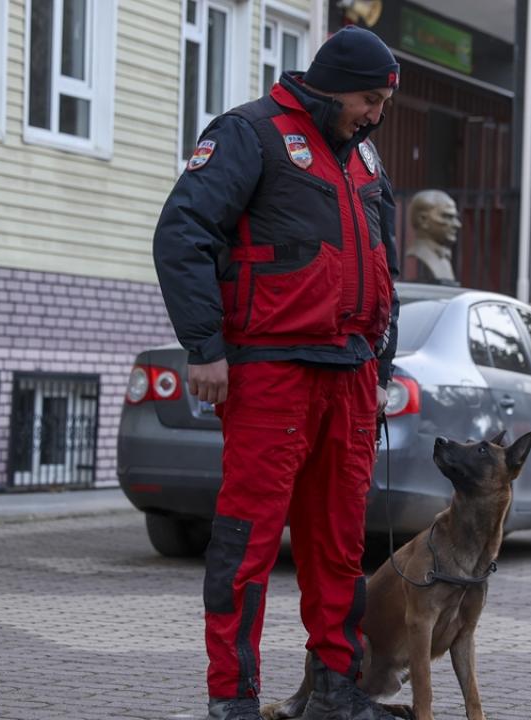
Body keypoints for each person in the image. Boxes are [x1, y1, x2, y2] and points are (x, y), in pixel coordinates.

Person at [152, 26, 402, 720]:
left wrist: (382, 365)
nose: (374, 115)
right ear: (331, 87)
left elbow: (385, 266)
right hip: (271, 371)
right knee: (248, 541)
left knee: (339, 544)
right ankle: (234, 698)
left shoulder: (366, 158)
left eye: (382, 103)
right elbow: (182, 235)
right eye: (367, 100)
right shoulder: (249, 134)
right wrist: (205, 348)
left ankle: (336, 691)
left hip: (351, 375)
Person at [404, 189, 462, 286]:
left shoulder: (444, 257)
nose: (457, 224)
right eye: (447, 217)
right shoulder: (417, 258)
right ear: (423, 219)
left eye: (455, 217)